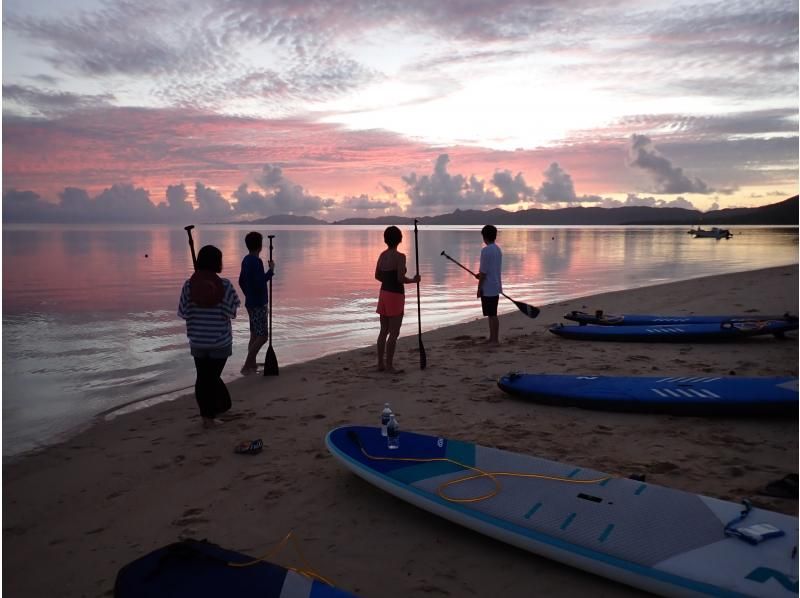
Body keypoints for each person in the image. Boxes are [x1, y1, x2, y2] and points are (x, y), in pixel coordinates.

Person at [178, 245, 241, 428]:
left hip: (198, 341)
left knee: (203, 378)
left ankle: (209, 415)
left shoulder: (189, 285)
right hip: (220, 342)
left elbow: (183, 312)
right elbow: (231, 312)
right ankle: (209, 417)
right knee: (211, 379)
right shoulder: (226, 285)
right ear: (217, 263)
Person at [375, 225, 421, 373]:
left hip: (383, 294)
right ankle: (389, 365)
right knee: (394, 333)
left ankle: (380, 363)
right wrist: (414, 280)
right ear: (400, 239)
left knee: (383, 331)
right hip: (395, 296)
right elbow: (400, 278)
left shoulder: (382, 255)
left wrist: (388, 278)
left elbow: (377, 276)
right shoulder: (400, 257)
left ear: (385, 240)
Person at [238, 232, 275, 374]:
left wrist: (248, 295)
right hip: (259, 303)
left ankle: (252, 364)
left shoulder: (246, 260)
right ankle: (247, 364)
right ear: (260, 246)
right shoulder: (256, 261)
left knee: (254, 334)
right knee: (263, 337)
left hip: (250, 303)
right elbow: (260, 282)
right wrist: (271, 271)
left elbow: (241, 281)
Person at [476, 224, 502, 345]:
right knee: (492, 314)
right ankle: (492, 338)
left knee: (492, 315)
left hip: (488, 287)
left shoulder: (485, 251)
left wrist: (479, 288)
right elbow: (489, 269)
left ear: (484, 237)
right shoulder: (497, 249)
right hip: (495, 286)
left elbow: (484, 273)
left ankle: (494, 339)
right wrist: (480, 274)